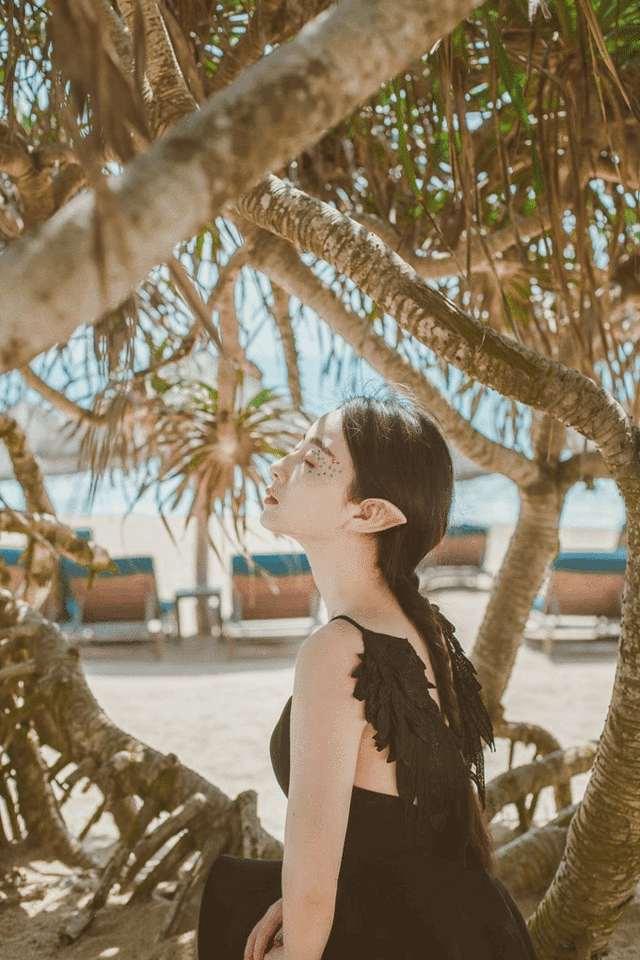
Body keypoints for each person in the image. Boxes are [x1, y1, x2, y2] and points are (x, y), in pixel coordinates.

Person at [197, 392, 538, 960]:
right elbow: (413, 831)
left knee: (232, 905)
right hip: (470, 922)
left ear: (370, 513)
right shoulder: (423, 628)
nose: (278, 466)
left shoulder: (336, 651)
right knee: (247, 893)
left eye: (313, 460)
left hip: (412, 935)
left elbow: (312, 890)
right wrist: (299, 900)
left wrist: (300, 932)